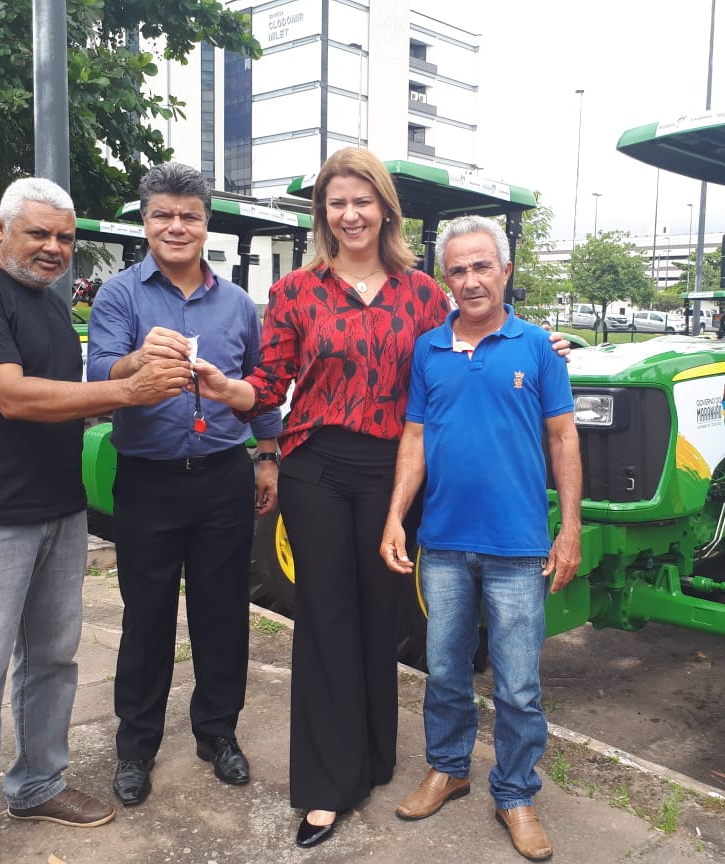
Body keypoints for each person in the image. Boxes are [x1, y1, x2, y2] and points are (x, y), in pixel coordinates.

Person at [191, 147, 570, 849]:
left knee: (381, 620)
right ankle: (324, 786)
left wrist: (542, 347)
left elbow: (476, 334)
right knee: (327, 621)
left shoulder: (421, 291)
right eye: (337, 202)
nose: (351, 213)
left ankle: (370, 758)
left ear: (384, 208)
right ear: (323, 214)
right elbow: (268, 386)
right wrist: (226, 390)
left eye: (362, 200)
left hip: (395, 471)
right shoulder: (299, 291)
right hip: (318, 469)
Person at [0, 177, 192, 863]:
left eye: (65, 238)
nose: (53, 248)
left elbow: (71, 393)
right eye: (39, 233)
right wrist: (129, 389)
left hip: (57, 512)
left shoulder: (45, 305)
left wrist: (132, 362)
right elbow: (11, 396)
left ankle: (38, 783)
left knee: (51, 661)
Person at [379, 215, 582, 862]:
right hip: (442, 544)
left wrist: (570, 527)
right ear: (446, 280)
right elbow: (414, 439)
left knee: (519, 684)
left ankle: (516, 793)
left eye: (481, 266)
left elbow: (563, 438)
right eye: (458, 270)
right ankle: (449, 767)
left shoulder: (538, 350)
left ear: (505, 271)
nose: (470, 280)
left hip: (518, 548)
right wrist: (394, 516)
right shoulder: (428, 352)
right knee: (444, 670)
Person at [86, 162, 282, 809]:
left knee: (222, 613)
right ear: (145, 222)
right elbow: (101, 373)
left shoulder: (236, 305)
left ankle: (217, 734)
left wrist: (269, 453)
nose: (176, 226)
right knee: (147, 617)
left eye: (188, 215)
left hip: (224, 476)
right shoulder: (120, 296)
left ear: (206, 224)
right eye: (163, 214)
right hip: (147, 479)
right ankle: (136, 747)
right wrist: (139, 358)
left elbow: (261, 383)